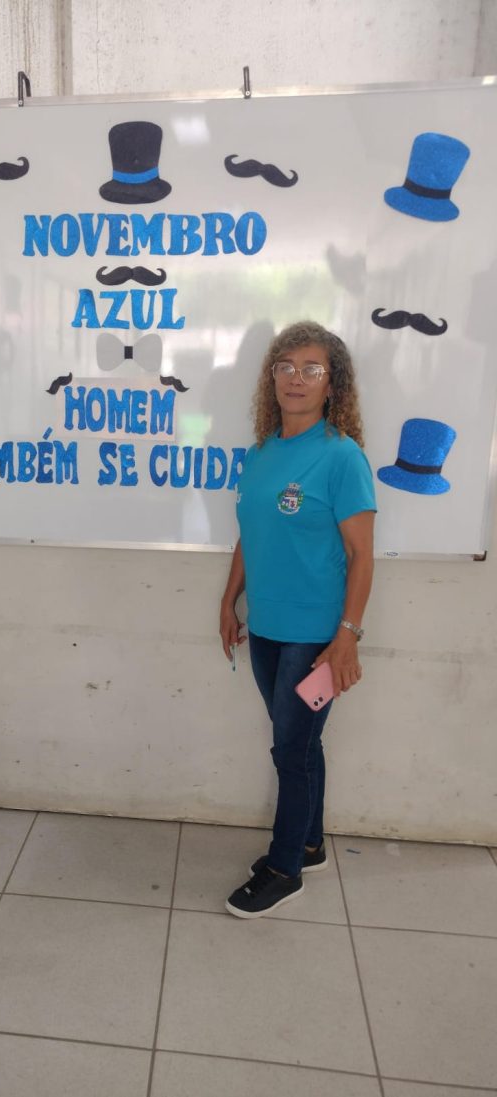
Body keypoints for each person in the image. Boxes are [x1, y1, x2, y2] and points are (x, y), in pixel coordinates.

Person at [219, 320, 375, 918]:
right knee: (301, 743)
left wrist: (346, 638)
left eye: (312, 369)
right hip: (265, 628)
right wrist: (229, 600)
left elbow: (361, 556)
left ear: (332, 384)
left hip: (315, 638)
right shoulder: (262, 453)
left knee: (291, 750)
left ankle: (284, 869)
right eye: (285, 367)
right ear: (272, 377)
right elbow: (249, 534)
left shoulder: (342, 457)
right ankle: (309, 844)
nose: (296, 378)